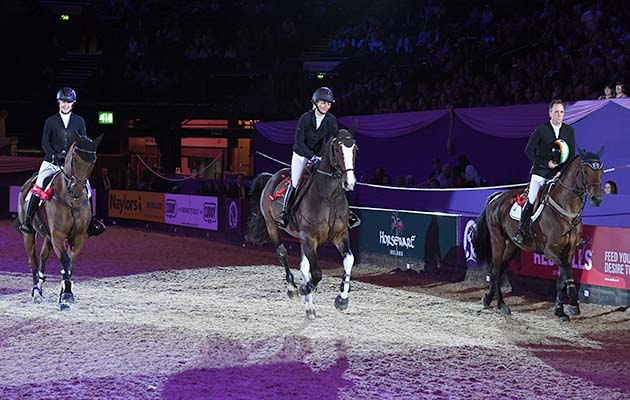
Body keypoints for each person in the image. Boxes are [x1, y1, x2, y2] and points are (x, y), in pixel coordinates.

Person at [19, 87, 106, 236]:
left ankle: (91, 222)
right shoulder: (51, 121)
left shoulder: (79, 121)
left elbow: (83, 140)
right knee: (39, 184)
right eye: (62, 102)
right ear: (59, 103)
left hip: (71, 165)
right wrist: (53, 155)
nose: (65, 105)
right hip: (52, 162)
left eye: (68, 102)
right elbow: (45, 142)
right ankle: (27, 222)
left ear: (73, 104)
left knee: (88, 188)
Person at [275, 87, 359, 229]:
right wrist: (311, 157)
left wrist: (344, 143)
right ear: (315, 103)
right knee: (295, 182)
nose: (325, 106)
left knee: (335, 179)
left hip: (319, 155)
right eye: (322, 103)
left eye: (328, 103)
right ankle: (285, 213)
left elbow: (334, 139)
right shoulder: (305, 118)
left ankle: (347, 213)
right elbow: (299, 142)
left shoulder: (331, 120)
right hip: (301, 155)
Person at [513, 99, 575, 245]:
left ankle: (573, 232)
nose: (559, 115)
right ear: (550, 113)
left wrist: (562, 171)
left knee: (569, 200)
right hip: (541, 173)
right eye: (556, 112)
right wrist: (545, 163)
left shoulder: (569, 130)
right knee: (532, 198)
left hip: (558, 174)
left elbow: (571, 155)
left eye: (561, 112)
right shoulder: (541, 129)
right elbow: (529, 151)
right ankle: (521, 230)